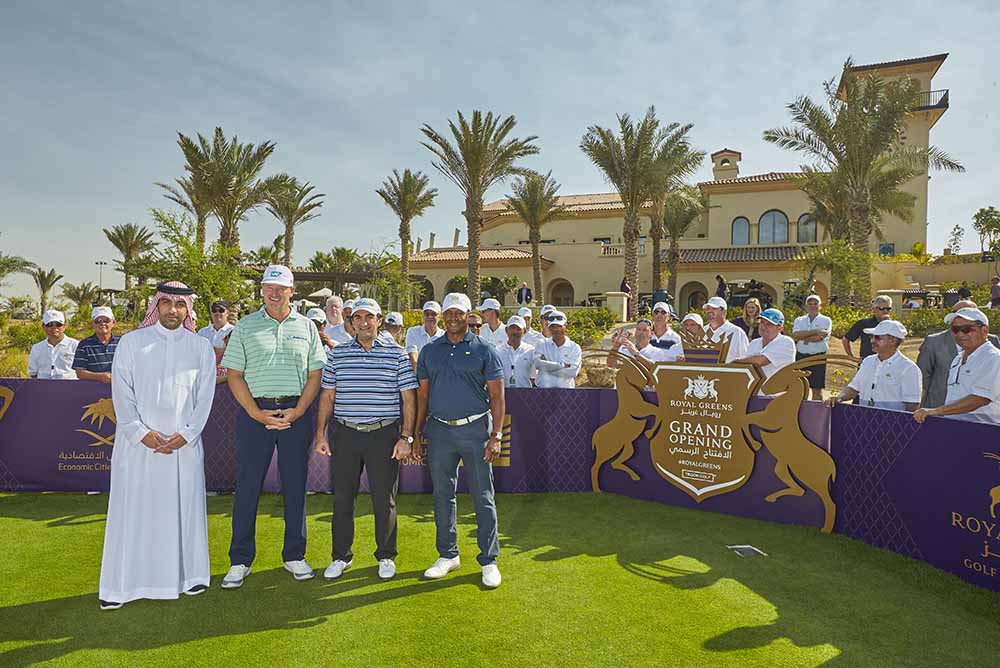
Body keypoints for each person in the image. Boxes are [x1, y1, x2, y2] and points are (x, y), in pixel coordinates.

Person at [98, 281, 216, 610]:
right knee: (131, 512)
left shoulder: (200, 347)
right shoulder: (132, 344)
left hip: (184, 448)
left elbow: (204, 397)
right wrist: (141, 433)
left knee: (184, 513)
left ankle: (189, 578)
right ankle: (119, 588)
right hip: (137, 449)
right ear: (157, 306)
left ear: (188, 310)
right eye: (167, 304)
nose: (173, 311)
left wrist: (186, 435)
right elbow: (121, 394)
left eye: (180, 305)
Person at [220, 265, 327, 589]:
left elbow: (315, 375)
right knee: (248, 487)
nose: (275, 293)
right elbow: (235, 375)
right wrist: (255, 413)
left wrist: (297, 411)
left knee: (295, 486)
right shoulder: (246, 327)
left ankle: (294, 555)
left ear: (292, 291)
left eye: (281, 288)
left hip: (296, 412)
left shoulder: (307, 326)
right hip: (256, 416)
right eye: (269, 287)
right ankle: (240, 560)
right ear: (262, 289)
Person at [313, 298, 417, 581]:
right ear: (351, 321)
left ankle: (386, 555)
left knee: (385, 500)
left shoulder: (397, 354)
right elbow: (328, 396)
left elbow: (409, 399)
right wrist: (321, 434)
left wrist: (406, 437)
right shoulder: (338, 354)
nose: (362, 322)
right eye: (357, 317)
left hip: (384, 435)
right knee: (343, 499)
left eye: (368, 317)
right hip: (346, 435)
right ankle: (340, 556)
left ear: (379, 320)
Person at [413, 293, 505, 589]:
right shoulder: (429, 351)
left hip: (476, 430)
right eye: (448, 312)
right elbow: (422, 396)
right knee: (443, 495)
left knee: (483, 497)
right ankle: (448, 555)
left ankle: (488, 560)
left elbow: (498, 397)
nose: (453, 317)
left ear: (468, 315)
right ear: (442, 315)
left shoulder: (484, 350)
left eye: (459, 313)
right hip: (439, 431)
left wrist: (496, 435)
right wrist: (415, 434)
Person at [914, 308, 1000, 425]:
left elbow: (980, 399)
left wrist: (937, 411)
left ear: (984, 330)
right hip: (956, 427)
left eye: (966, 329)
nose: (960, 334)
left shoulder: (994, 358)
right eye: (955, 329)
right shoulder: (958, 358)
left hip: (985, 431)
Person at [828, 320, 921, 412]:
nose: (872, 341)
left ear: (893, 340)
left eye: (877, 337)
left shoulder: (908, 368)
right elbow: (854, 388)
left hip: (892, 423)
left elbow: (912, 405)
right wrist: (839, 398)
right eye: (871, 337)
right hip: (864, 419)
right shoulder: (868, 361)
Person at [733, 308, 796, 392]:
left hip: (779, 396)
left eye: (769, 324)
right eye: (762, 322)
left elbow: (761, 361)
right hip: (754, 394)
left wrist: (735, 361)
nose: (763, 326)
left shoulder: (786, 342)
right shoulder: (754, 343)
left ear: (780, 328)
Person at [792, 295, 832, 401]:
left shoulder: (826, 320)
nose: (812, 306)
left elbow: (820, 338)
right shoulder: (799, 320)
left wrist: (803, 337)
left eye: (815, 304)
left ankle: (815, 414)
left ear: (820, 306)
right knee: (799, 388)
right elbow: (795, 336)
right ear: (806, 306)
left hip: (818, 358)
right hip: (801, 357)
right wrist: (815, 331)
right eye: (810, 304)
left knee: (817, 390)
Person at [533, 310, 582, 388]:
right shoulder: (541, 344)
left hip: (566, 393)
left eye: (559, 326)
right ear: (549, 327)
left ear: (566, 326)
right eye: (553, 326)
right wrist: (562, 365)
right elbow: (538, 364)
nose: (556, 329)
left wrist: (547, 368)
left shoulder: (575, 348)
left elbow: (573, 372)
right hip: (542, 392)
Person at [72, 306, 120, 384]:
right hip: (93, 390)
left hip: (121, 389)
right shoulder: (84, 345)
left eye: (106, 320)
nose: (102, 323)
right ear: (93, 324)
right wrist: (99, 377)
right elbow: (79, 373)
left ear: (113, 323)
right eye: (98, 321)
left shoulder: (123, 342)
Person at [27, 309, 78, 380]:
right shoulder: (36, 348)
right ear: (43, 327)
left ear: (64, 326)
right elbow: (33, 374)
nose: (54, 327)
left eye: (58, 324)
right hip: (43, 388)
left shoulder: (76, 346)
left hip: (70, 388)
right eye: (50, 324)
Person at [842, 296, 893, 360]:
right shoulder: (864, 324)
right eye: (882, 308)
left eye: (888, 308)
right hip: (866, 362)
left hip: (887, 364)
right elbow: (846, 339)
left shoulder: (894, 326)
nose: (885, 311)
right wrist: (851, 357)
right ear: (874, 309)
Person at [703, 297, 749, 363]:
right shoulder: (701, 331)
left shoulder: (737, 332)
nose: (709, 311)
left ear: (724, 312)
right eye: (708, 308)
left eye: (714, 308)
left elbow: (745, 358)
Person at [497, 315, 536, 388]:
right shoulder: (497, 351)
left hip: (525, 395)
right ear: (506, 330)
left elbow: (534, 377)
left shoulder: (531, 351)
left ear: (524, 331)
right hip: (504, 394)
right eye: (512, 328)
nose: (515, 332)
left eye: (518, 329)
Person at [405, 301, 443, 369]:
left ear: (439, 316)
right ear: (423, 315)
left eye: (433, 314)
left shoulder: (444, 336)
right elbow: (414, 359)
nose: (430, 316)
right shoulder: (412, 332)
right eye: (427, 314)